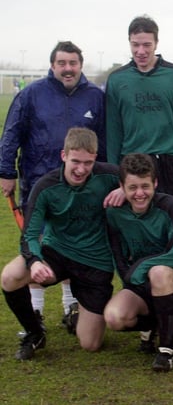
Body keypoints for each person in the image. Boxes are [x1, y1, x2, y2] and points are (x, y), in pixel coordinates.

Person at [0, 41, 106, 333]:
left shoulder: (95, 97)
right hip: (37, 182)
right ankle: (35, 309)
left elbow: (105, 143)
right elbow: (11, 133)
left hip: (81, 187)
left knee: (71, 238)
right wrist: (6, 171)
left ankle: (70, 303)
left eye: (73, 63)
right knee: (39, 241)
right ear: (53, 65)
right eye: (62, 63)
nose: (68, 68)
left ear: (80, 66)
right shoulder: (32, 94)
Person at [1, 127, 122, 360]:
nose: (81, 169)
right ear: (63, 155)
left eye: (88, 162)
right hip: (57, 254)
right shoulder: (46, 187)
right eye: (75, 161)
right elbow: (29, 235)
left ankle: (77, 309)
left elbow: (145, 176)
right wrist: (35, 262)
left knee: (90, 344)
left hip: (95, 264)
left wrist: (125, 190)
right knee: (10, 276)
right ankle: (34, 333)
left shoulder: (109, 175)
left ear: (95, 158)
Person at [104, 153, 173, 372]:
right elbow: (119, 256)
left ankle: (166, 350)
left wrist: (138, 269)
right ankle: (154, 325)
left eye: (145, 186)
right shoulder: (115, 213)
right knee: (114, 317)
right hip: (140, 284)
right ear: (121, 186)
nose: (140, 193)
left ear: (155, 183)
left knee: (159, 272)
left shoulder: (170, 206)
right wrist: (129, 278)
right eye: (132, 188)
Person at [106, 15, 173, 207]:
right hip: (130, 162)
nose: (141, 51)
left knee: (171, 222)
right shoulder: (117, 80)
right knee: (134, 225)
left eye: (147, 45)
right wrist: (115, 172)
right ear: (129, 42)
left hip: (167, 162)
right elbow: (113, 130)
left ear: (156, 43)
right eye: (135, 45)